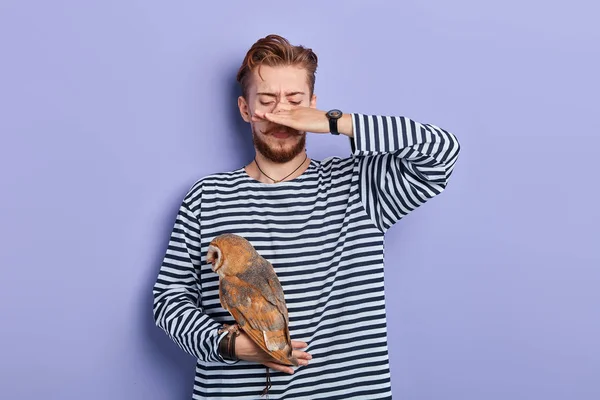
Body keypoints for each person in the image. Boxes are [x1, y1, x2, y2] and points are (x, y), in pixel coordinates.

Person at [152, 34, 461, 400]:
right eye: (267, 102)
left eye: (294, 101)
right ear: (245, 109)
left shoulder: (361, 185)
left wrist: (335, 122)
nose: (281, 114)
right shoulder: (208, 196)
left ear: (312, 105)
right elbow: (169, 299)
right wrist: (230, 344)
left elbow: (442, 153)